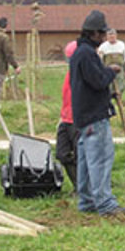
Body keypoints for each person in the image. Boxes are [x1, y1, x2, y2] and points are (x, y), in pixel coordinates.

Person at [69, 10, 125, 216]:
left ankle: (86, 201)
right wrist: (110, 71)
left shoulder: (80, 53)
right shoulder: (86, 54)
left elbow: (89, 82)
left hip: (84, 115)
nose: (104, 38)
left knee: (86, 161)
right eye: (102, 34)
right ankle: (105, 203)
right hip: (94, 115)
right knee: (101, 158)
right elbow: (97, 81)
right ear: (93, 33)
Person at [55, 40, 80, 189]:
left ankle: (82, 189)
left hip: (78, 121)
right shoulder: (69, 74)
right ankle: (78, 184)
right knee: (62, 154)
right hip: (65, 119)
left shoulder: (85, 75)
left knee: (79, 156)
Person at [98, 28, 125, 98]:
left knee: (121, 84)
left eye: (113, 35)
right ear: (107, 36)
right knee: (109, 85)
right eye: (109, 35)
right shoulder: (103, 46)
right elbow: (99, 60)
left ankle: (119, 97)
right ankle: (109, 98)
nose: (111, 37)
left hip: (120, 69)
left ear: (116, 35)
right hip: (107, 69)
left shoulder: (122, 44)